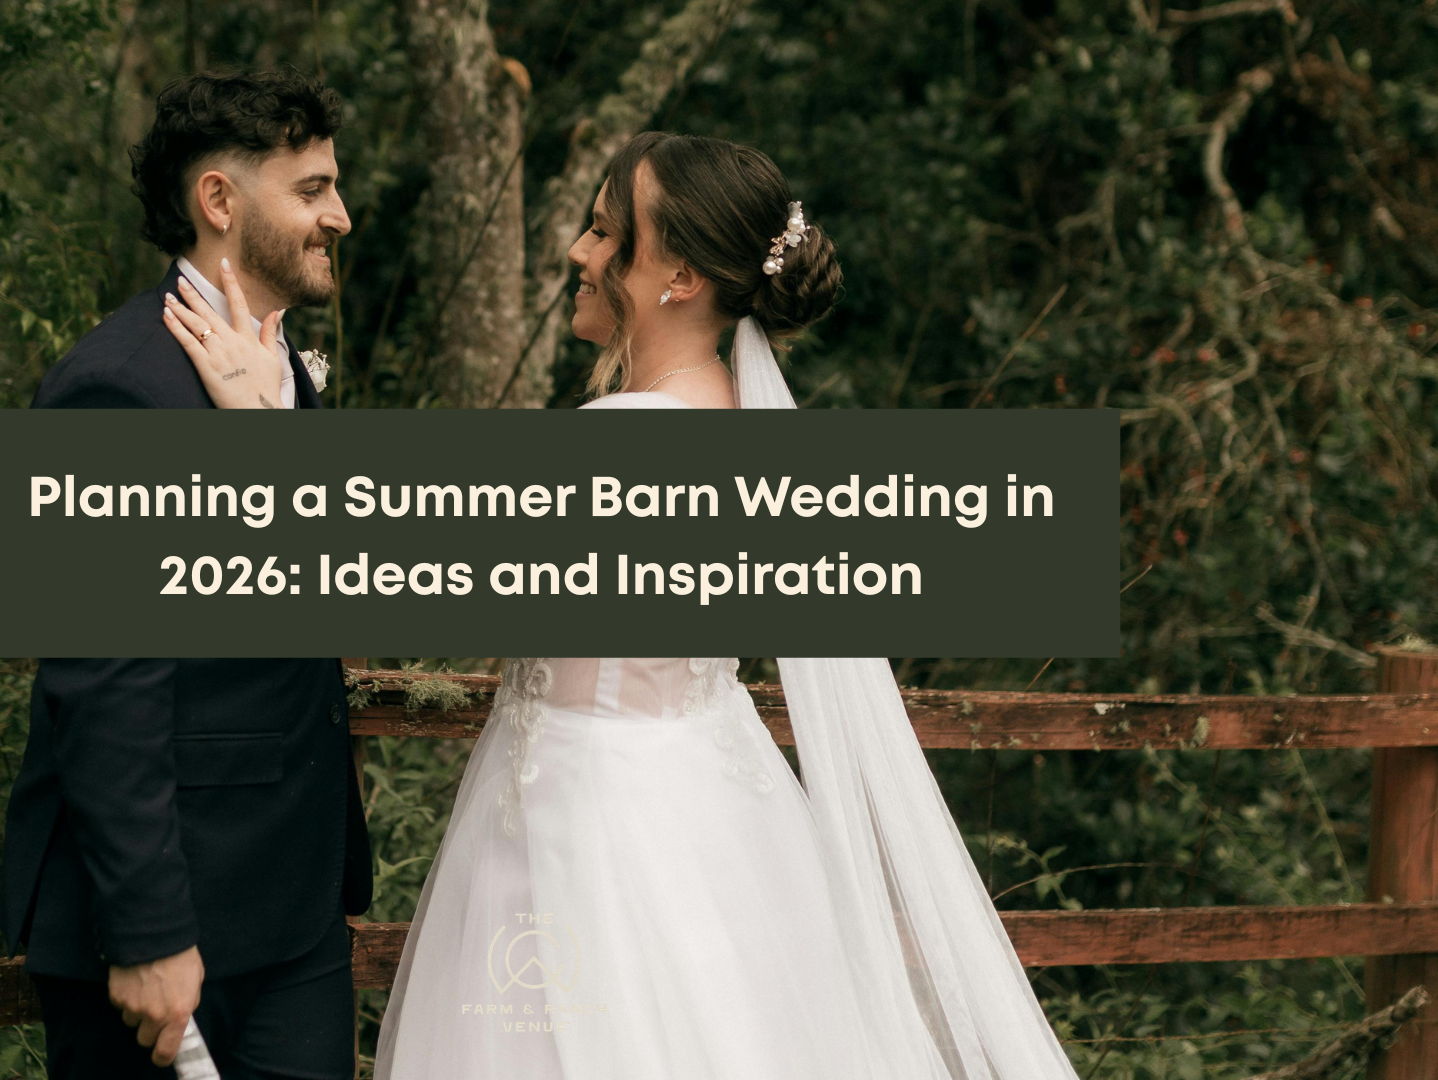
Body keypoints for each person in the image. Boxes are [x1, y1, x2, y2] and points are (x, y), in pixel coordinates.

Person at [197, 130, 1089, 1077]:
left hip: (587, 832)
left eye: (604, 232)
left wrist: (263, 425)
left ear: (681, 279)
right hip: (716, 813)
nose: (578, 252)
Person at [0, 66, 371, 1080]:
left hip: (296, 912)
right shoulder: (116, 389)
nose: (340, 215)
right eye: (312, 189)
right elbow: (104, 682)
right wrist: (150, 932)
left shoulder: (278, 372)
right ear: (219, 199)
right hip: (170, 927)